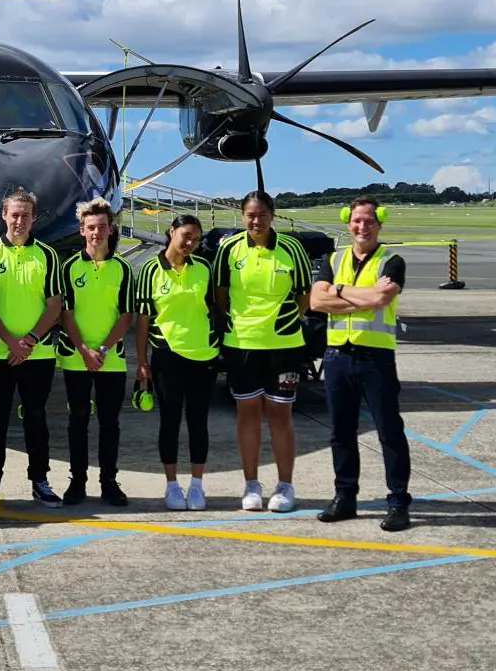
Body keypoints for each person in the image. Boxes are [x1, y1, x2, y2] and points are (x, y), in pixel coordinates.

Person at [309, 196, 410, 531]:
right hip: (338, 357)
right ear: (347, 223)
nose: (362, 226)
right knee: (341, 432)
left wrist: (338, 292)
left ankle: (397, 502)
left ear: (379, 223)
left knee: (389, 431)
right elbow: (316, 301)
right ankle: (345, 497)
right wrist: (358, 299)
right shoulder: (333, 259)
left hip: (375, 357)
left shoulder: (391, 261)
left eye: (368, 220)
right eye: (356, 221)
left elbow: (382, 298)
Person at [213, 190, 314, 513]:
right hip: (242, 345)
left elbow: (303, 295)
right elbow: (221, 296)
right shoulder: (228, 249)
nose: (256, 221)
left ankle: (285, 485)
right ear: (242, 217)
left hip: (284, 346)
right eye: (250, 215)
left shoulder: (292, 248)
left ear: (273, 215)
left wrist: (283, 323)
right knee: (248, 416)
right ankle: (251, 484)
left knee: (281, 416)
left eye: (262, 214)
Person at [0, 188, 66, 509]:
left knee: (36, 419)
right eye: (14, 214)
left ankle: (40, 480)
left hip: (36, 354)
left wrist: (28, 341)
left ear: (33, 218)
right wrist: (11, 341)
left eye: (26, 215)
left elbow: (55, 305)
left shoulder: (47, 255)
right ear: (4, 216)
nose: (20, 221)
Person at [135, 213, 220, 510]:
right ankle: (171, 486)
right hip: (167, 356)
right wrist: (142, 361)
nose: (191, 243)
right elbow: (143, 319)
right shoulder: (150, 270)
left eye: (196, 239)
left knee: (199, 423)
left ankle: (197, 486)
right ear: (172, 233)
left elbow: (212, 310)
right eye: (186, 236)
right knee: (169, 422)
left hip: (202, 356)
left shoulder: (204, 268)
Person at [56, 198, 133, 506]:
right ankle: (78, 482)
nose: (96, 233)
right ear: (82, 230)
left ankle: (109, 482)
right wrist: (85, 350)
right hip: (76, 358)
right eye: (91, 228)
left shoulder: (123, 269)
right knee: (77, 421)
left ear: (111, 229)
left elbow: (126, 316)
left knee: (109, 423)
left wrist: (101, 349)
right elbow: (66, 314)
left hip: (111, 359)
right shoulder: (70, 268)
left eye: (102, 227)